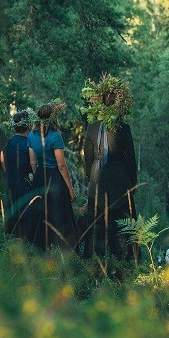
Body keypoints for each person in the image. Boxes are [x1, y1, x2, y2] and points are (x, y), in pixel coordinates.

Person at [80, 75, 138, 262]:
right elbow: (130, 157)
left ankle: (95, 260)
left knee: (97, 222)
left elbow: (87, 156)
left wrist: (89, 177)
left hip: (97, 179)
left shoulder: (92, 127)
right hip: (120, 181)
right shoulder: (123, 128)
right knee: (123, 224)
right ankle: (124, 260)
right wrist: (133, 181)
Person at [28, 102, 76, 250]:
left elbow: (32, 161)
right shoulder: (56, 137)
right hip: (54, 177)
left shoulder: (31, 135)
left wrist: (37, 178)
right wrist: (70, 189)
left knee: (41, 214)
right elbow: (61, 165)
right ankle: (61, 249)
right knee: (58, 214)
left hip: (39, 177)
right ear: (53, 118)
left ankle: (40, 249)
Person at [3, 110, 37, 239]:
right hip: (25, 184)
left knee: (12, 214)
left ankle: (12, 241)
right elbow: (33, 164)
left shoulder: (9, 143)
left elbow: (3, 161)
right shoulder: (29, 143)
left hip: (10, 184)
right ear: (28, 125)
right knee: (25, 214)